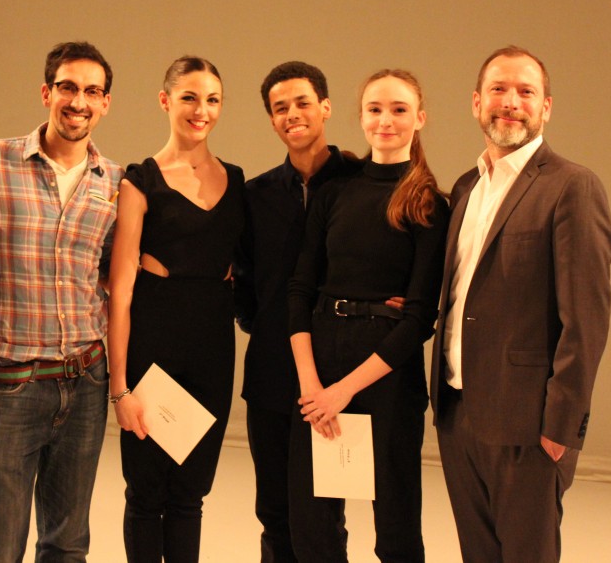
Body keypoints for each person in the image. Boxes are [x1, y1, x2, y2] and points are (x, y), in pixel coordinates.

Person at [430, 46, 611, 563]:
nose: (510, 102)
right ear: (475, 102)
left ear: (546, 108)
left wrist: (561, 428)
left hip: (528, 425)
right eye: (498, 89)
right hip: (457, 413)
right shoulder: (466, 188)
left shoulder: (571, 187)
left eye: (526, 92)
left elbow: (587, 320)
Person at [0, 42, 122, 562]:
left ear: (106, 103)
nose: (79, 102)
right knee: (0, 544)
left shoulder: (114, 182)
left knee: (68, 542)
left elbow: (115, 272)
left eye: (92, 91)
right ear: (46, 93)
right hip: (12, 381)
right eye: (68, 88)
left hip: (86, 379)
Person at [287, 69, 449, 562]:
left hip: (386, 376)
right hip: (320, 367)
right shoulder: (335, 192)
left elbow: (419, 320)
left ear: (419, 118)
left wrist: (344, 391)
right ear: (360, 117)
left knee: (396, 527)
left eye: (399, 109)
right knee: (312, 525)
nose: (386, 120)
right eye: (375, 109)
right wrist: (313, 386)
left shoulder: (427, 204)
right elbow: (300, 290)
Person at [107, 56, 245, 562]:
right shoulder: (139, 181)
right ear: (165, 101)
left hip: (211, 349)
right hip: (152, 347)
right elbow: (119, 292)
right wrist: (119, 387)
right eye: (188, 97)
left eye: (211, 99)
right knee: (146, 494)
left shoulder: (236, 181)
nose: (200, 109)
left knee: (190, 495)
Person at [233, 61, 362, 562]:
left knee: (325, 515)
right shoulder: (256, 195)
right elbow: (240, 279)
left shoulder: (359, 183)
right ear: (271, 119)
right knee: (275, 511)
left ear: (325, 108)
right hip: (270, 375)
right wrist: (263, 325)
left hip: (336, 373)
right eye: (279, 107)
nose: (292, 114)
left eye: (302, 103)